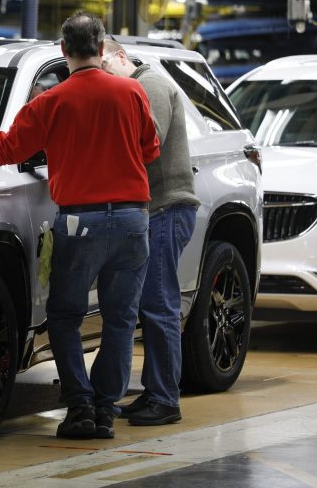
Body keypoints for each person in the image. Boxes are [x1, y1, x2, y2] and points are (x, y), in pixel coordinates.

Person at [0, 11, 159, 440]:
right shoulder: (132, 92)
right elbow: (150, 149)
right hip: (132, 220)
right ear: (102, 47)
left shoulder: (50, 103)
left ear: (63, 50)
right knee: (121, 319)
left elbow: (4, 150)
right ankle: (106, 410)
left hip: (80, 222)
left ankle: (80, 408)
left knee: (65, 315)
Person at [101, 38, 200, 425]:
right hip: (153, 210)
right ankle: (154, 391)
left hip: (166, 209)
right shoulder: (134, 87)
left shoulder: (150, 85)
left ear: (121, 56)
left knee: (159, 306)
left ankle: (165, 399)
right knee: (149, 305)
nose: (104, 79)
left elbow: (147, 142)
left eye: (106, 69)